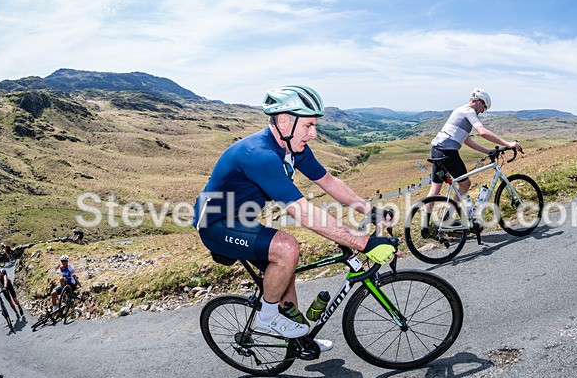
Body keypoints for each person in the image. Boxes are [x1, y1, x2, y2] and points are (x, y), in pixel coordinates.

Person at [193, 85, 398, 350]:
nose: (313, 134)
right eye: (309, 125)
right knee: (287, 248)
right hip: (216, 225)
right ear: (284, 120)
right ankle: (267, 316)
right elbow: (301, 211)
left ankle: (299, 340)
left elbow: (328, 180)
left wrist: (368, 210)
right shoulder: (260, 155)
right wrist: (364, 242)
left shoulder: (293, 149)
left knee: (285, 271)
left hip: (241, 219)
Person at [424, 88, 522, 215]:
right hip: (448, 152)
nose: (482, 111)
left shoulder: (460, 110)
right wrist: (508, 144)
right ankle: (446, 219)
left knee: (434, 190)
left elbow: (466, 140)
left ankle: (426, 226)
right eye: (484, 108)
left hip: (436, 149)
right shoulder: (469, 112)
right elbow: (482, 132)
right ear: (479, 102)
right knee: (465, 185)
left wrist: (487, 151)